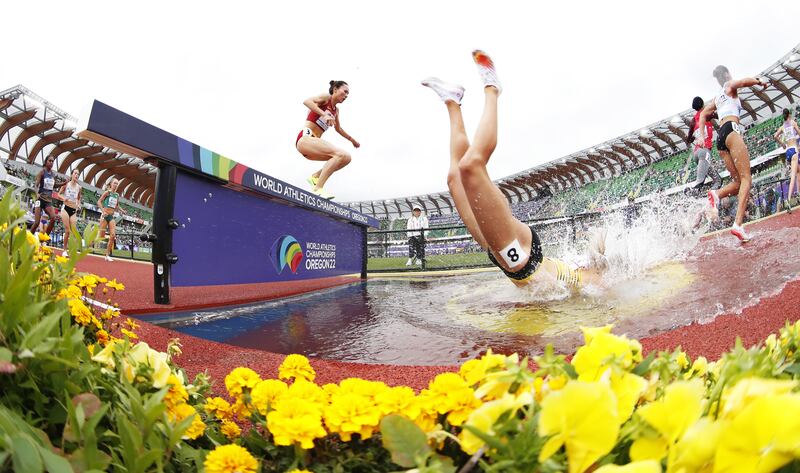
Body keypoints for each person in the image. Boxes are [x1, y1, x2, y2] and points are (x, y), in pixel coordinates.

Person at [421, 50, 607, 289]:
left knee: (455, 179)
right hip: (526, 260)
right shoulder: (595, 282)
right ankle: (492, 89)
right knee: (471, 166)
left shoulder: (585, 280)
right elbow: (592, 270)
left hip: (515, 263)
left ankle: (452, 102)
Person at [699, 65, 770, 242]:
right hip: (731, 130)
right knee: (747, 178)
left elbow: (702, 116)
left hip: (720, 139)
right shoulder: (729, 85)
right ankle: (738, 225)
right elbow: (743, 82)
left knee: (737, 182)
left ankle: (716, 194)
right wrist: (759, 81)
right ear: (726, 74)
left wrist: (702, 136)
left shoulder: (718, 98)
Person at [295, 80, 361, 200]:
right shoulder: (326, 98)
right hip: (305, 139)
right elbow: (307, 101)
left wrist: (352, 140)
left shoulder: (336, 111)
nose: (346, 96)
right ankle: (318, 189)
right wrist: (324, 114)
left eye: (348, 94)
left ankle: (315, 177)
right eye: (344, 92)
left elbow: (338, 128)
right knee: (340, 154)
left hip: (313, 147)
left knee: (345, 158)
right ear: (335, 89)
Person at [687, 96, 721, 192]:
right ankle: (693, 192)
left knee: (717, 180)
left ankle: (712, 194)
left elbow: (688, 139)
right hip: (705, 151)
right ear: (702, 104)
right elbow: (720, 116)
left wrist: (695, 137)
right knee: (699, 183)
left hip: (696, 154)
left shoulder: (693, 121)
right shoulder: (706, 113)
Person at [774, 108, 800, 211]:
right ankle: (788, 200)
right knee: (793, 176)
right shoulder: (793, 122)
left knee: (798, 172)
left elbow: (775, 136)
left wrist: (782, 144)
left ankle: (798, 194)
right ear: (789, 114)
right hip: (794, 150)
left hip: (788, 151)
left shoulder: (782, 127)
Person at [97, 178, 127, 262]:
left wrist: (122, 211)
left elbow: (117, 205)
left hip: (111, 217)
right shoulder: (107, 192)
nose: (116, 185)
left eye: (117, 184)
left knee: (113, 235)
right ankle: (92, 242)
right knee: (101, 237)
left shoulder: (117, 195)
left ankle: (107, 255)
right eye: (114, 183)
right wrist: (103, 211)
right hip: (104, 216)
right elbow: (99, 202)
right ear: (111, 184)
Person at [29, 156, 58, 237]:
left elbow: (54, 185)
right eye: (50, 161)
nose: (51, 162)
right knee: (36, 223)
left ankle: (45, 239)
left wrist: (64, 183)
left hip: (48, 201)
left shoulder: (53, 174)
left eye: (53, 161)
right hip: (40, 199)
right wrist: (36, 193)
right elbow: (36, 185)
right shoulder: (42, 172)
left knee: (53, 218)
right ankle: (28, 239)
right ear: (46, 162)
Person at [58, 169, 82, 257]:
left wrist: (78, 204)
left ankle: (71, 250)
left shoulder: (79, 187)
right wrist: (63, 198)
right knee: (67, 231)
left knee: (74, 231)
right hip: (65, 208)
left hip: (73, 210)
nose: (76, 175)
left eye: (78, 174)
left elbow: (79, 198)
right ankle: (64, 250)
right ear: (72, 174)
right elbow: (59, 194)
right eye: (75, 173)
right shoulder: (66, 184)